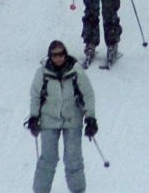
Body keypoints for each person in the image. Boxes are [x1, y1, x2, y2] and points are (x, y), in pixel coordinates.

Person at [25, 40, 98, 193]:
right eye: (54, 55)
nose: (58, 58)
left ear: (65, 54)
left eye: (61, 54)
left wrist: (90, 118)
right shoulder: (42, 73)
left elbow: (88, 94)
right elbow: (35, 96)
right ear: (50, 56)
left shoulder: (76, 71)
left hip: (72, 120)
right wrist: (33, 117)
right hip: (49, 121)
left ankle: (78, 190)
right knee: (48, 159)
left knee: (73, 159)